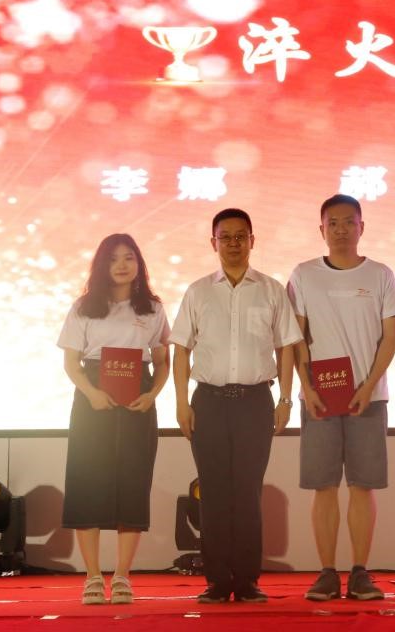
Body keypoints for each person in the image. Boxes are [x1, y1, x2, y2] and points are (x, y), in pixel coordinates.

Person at [171, 208, 301, 604]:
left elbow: (286, 347)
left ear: (252, 241)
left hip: (255, 401)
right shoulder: (198, 291)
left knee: (247, 492)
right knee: (212, 492)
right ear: (213, 243)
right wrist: (181, 403)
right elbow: (181, 350)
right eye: (224, 237)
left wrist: (285, 400)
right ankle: (216, 580)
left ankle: (246, 580)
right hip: (207, 402)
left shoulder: (271, 290)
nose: (233, 243)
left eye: (240, 236)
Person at [288, 194, 395, 601]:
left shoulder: (380, 275)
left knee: (362, 485)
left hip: (369, 398)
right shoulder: (304, 274)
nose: (341, 230)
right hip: (319, 398)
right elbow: (296, 337)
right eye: (333, 223)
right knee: (323, 486)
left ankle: (359, 572)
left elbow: (391, 338)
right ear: (321, 229)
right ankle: (326, 573)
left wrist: (369, 385)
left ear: (362, 227)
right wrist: (306, 387)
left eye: (348, 222)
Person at [58, 233, 170, 606]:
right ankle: (92, 576)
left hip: (137, 399)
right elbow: (71, 363)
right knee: (87, 483)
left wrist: (152, 395)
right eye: (113, 258)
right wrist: (91, 393)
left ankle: (122, 576)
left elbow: (162, 362)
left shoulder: (152, 309)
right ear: (101, 265)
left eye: (129, 258)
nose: (122, 265)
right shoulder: (84, 307)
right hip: (92, 399)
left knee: (133, 484)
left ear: (139, 264)